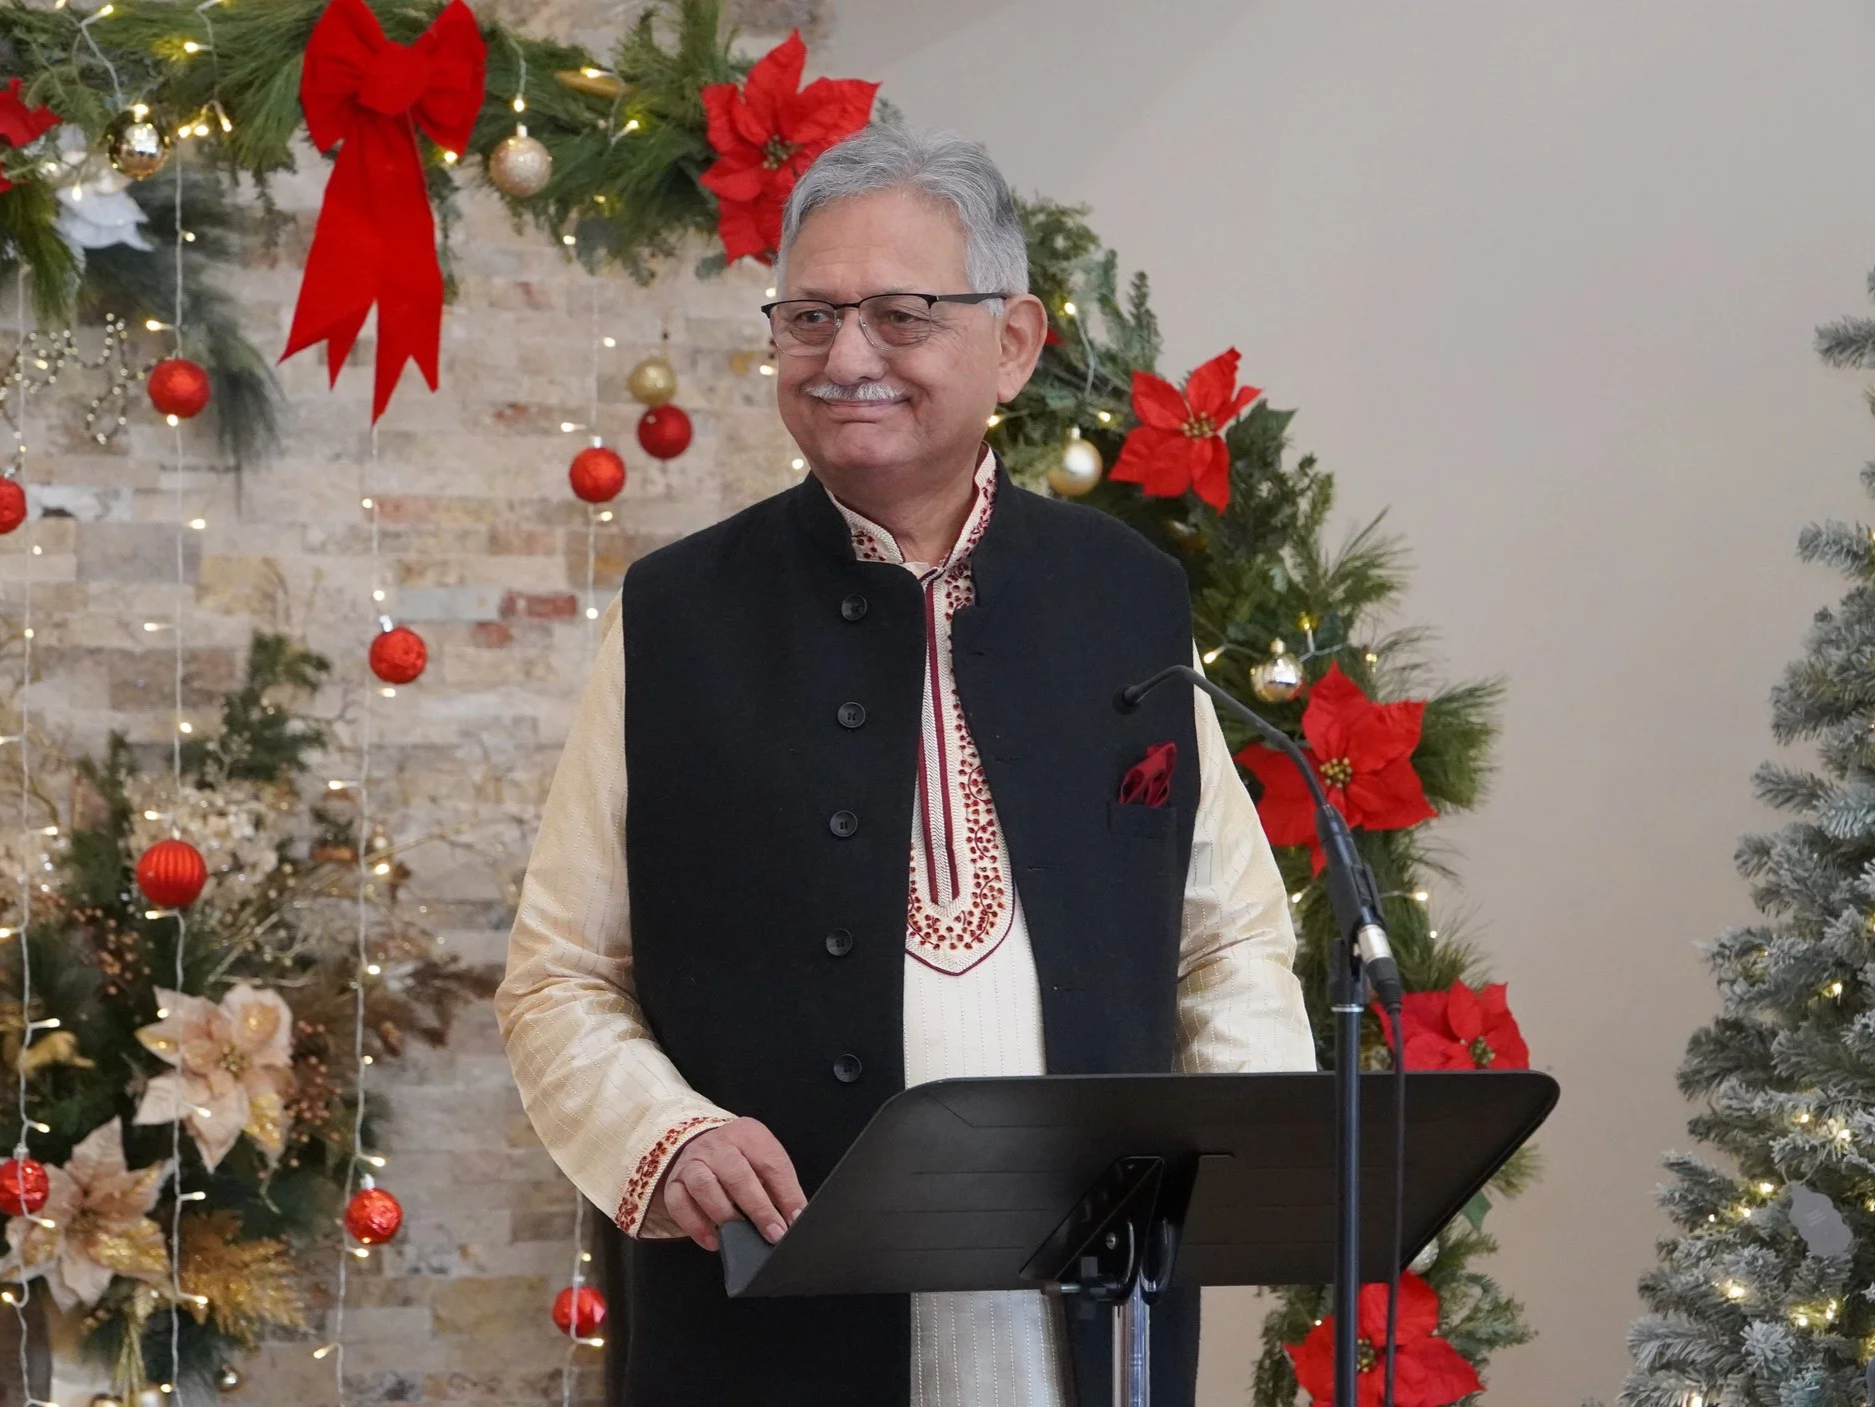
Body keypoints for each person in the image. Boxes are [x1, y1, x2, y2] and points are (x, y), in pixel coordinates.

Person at [495, 123, 1315, 1407]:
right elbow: (560, 975)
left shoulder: (1128, 600)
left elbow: (1229, 943)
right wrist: (669, 1137)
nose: (848, 358)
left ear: (1016, 342)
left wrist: (1228, 1169)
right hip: (767, 1321)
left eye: (901, 314)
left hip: (1092, 1324)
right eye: (810, 317)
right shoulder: (677, 618)